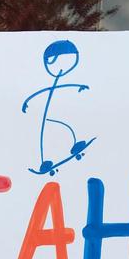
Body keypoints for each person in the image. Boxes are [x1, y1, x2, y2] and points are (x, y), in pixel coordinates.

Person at [22, 40, 95, 176]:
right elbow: (45, 91)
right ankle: (46, 162)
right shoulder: (53, 80)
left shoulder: (59, 79)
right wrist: (27, 101)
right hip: (49, 116)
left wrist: (80, 86)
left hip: (57, 112)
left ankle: (74, 146)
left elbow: (58, 88)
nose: (63, 67)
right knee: (50, 132)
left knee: (65, 128)